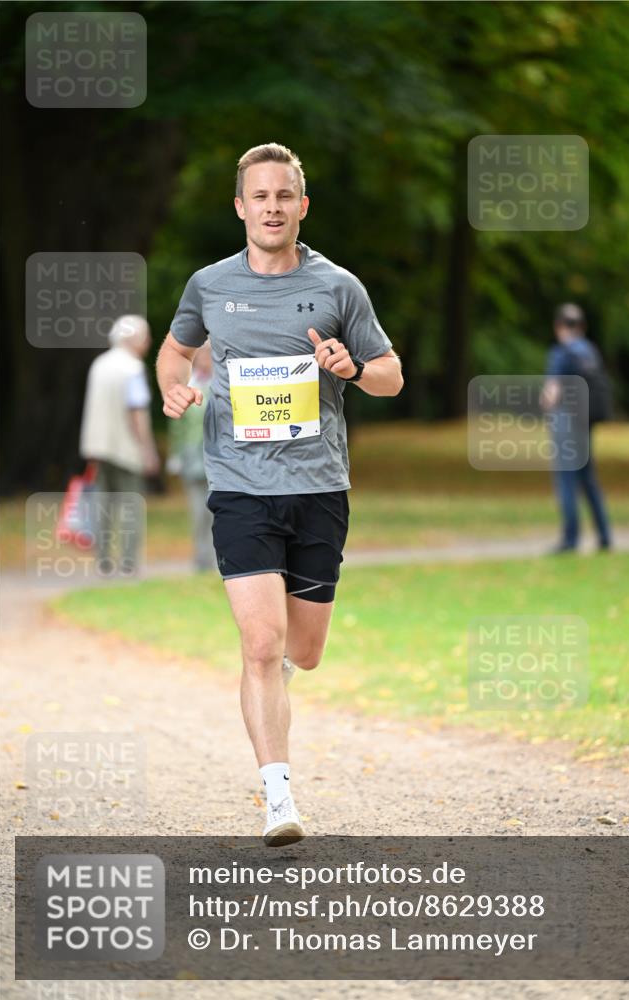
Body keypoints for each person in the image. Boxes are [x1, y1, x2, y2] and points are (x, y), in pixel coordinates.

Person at [156, 142, 403, 846]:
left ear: (301, 205)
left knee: (305, 649)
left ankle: (277, 684)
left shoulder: (339, 287)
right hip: (238, 485)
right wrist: (172, 383)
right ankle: (277, 797)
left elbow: (391, 375)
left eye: (283, 196)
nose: (271, 207)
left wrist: (352, 366)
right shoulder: (208, 285)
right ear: (240, 206)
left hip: (319, 485)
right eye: (259, 196)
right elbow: (176, 348)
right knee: (260, 645)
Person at [79, 314, 160, 575]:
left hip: (97, 448)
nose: (148, 342)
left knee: (101, 504)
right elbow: (137, 412)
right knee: (130, 505)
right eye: (145, 336)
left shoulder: (98, 365)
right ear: (132, 339)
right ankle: (127, 561)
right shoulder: (133, 369)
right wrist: (148, 450)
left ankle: (102, 559)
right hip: (126, 449)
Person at [541, 302, 612, 554]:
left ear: (558, 325)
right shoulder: (590, 350)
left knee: (566, 480)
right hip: (586, 423)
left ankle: (570, 540)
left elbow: (552, 393)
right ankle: (605, 536)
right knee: (588, 479)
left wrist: (546, 407)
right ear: (581, 325)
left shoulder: (561, 353)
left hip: (566, 425)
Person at [166, 343, 214, 571]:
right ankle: (201, 560)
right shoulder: (188, 385)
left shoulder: (221, 385)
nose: (207, 360)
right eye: (203, 355)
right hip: (192, 460)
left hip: (218, 461)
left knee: (217, 512)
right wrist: (175, 455)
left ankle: (217, 560)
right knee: (197, 513)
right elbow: (177, 425)